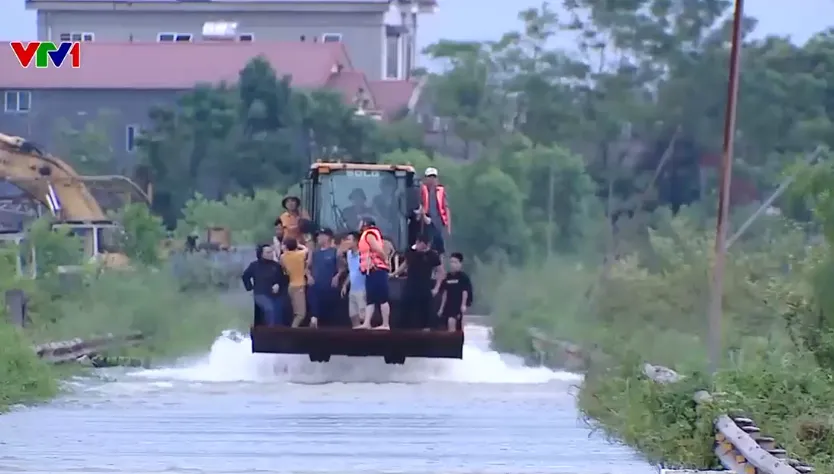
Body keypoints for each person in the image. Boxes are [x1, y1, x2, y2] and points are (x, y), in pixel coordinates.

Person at [392, 233, 442, 330]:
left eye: (423, 245)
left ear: (426, 244)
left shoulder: (432, 255)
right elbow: (405, 264)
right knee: (404, 304)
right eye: (418, 244)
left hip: (425, 285)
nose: (420, 246)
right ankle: (401, 327)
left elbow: (441, 272)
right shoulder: (411, 253)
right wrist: (393, 274)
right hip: (411, 284)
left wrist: (436, 288)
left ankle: (427, 327)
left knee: (426, 307)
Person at [356, 217, 391, 330]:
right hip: (369, 270)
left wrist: (385, 260)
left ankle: (385, 324)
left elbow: (377, 249)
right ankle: (367, 323)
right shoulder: (365, 235)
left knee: (382, 297)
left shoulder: (369, 234)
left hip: (377, 269)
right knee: (370, 298)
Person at [241, 244, 287, 326]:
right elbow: (245, 276)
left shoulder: (276, 266)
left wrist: (278, 285)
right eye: (268, 252)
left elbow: (283, 279)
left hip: (274, 294)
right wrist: (250, 287)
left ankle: (278, 330)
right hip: (260, 293)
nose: (271, 254)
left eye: (272, 252)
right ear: (262, 254)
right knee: (269, 309)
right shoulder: (254, 265)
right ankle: (269, 331)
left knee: (280, 309)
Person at [307, 228, 340, 328]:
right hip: (316, 285)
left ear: (327, 237)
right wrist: (308, 276)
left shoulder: (335, 251)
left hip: (329, 286)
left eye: (321, 236)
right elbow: (307, 267)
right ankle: (314, 319)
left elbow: (342, 267)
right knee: (314, 300)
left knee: (329, 315)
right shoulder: (315, 252)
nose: (318, 238)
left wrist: (337, 276)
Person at [420, 167, 451, 259]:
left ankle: (439, 262)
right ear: (425, 178)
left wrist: (448, 226)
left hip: (438, 221)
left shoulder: (441, 191)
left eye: (434, 177)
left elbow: (446, 208)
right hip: (425, 221)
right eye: (430, 177)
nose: (432, 179)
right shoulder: (421, 189)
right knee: (427, 243)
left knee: (439, 246)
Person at [437, 252, 473, 332]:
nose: (453, 264)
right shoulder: (447, 277)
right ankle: (451, 342)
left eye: (455, 262)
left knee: (456, 324)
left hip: (458, 306)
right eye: (451, 262)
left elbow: (465, 291)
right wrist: (441, 308)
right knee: (448, 324)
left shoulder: (463, 277)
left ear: (460, 264)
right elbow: (445, 293)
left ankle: (457, 341)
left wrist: (463, 305)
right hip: (449, 305)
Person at [280, 237, 309, 327]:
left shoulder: (283, 257)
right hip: (299, 286)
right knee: (301, 314)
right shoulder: (300, 254)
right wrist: (299, 245)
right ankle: (293, 330)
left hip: (291, 286)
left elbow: (284, 269)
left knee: (295, 312)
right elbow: (306, 249)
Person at [340, 232, 366, 328]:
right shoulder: (349, 254)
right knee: (353, 316)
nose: (346, 242)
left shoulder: (363, 254)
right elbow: (352, 271)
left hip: (362, 289)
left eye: (349, 240)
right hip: (352, 290)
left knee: (363, 318)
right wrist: (345, 285)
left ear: (356, 241)